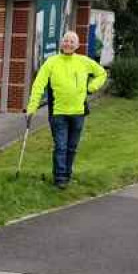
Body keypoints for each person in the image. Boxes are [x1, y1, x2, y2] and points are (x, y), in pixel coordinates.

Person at [26, 31, 107, 189]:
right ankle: (60, 178)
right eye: (66, 41)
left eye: (72, 42)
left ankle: (67, 175)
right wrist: (32, 107)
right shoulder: (51, 62)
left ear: (77, 45)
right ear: (61, 43)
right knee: (61, 146)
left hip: (78, 112)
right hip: (58, 112)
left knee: (72, 147)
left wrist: (90, 88)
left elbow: (102, 74)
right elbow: (38, 85)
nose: (68, 44)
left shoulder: (84, 61)